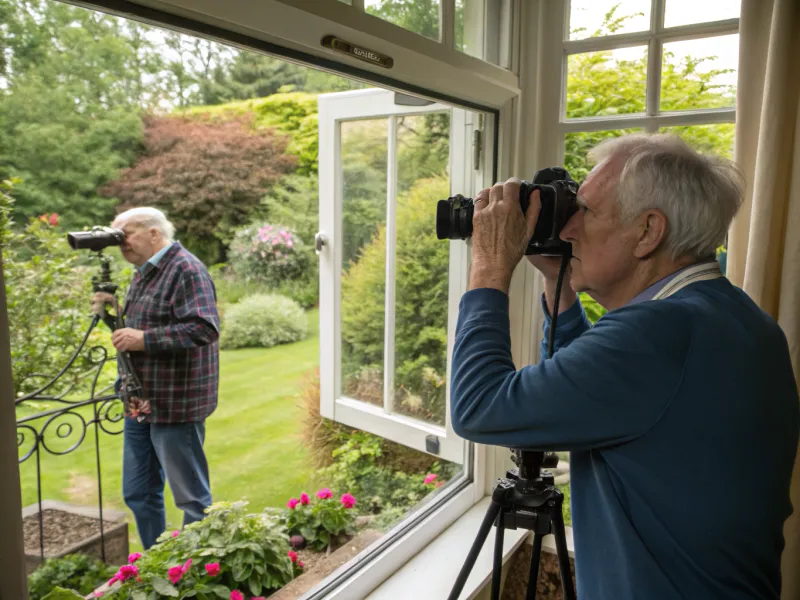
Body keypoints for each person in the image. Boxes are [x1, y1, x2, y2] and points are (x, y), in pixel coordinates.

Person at [450, 134, 799, 599]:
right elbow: (589, 394)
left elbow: (480, 407)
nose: (569, 228)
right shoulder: (732, 315)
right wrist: (561, 282)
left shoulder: (662, 333)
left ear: (648, 231)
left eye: (587, 211)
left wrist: (489, 267)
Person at [92, 207, 220, 549]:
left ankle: (196, 567)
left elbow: (204, 329)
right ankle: (157, 562)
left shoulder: (186, 269)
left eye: (126, 234)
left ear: (154, 233)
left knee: (191, 498)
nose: (121, 243)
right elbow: (137, 329)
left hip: (175, 402)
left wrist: (144, 339)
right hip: (140, 401)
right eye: (116, 236)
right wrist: (112, 315)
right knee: (138, 491)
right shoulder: (143, 272)